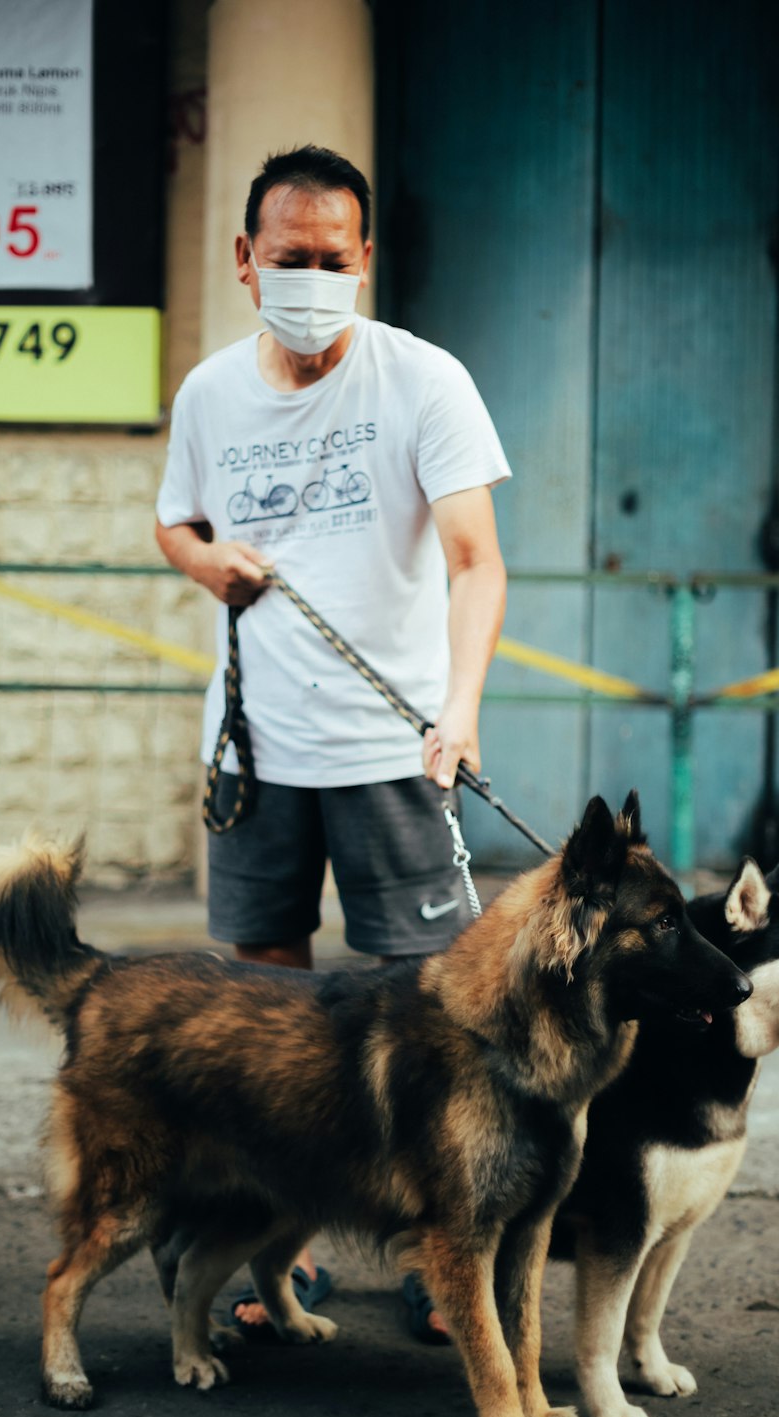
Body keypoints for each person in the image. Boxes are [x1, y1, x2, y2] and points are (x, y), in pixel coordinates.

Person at [155, 144, 509, 1342]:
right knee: (265, 1021)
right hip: (255, 750)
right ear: (244, 262)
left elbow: (475, 560)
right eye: (288, 258)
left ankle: (434, 1251)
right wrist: (207, 562)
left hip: (393, 749)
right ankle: (275, 1253)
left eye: (332, 259)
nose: (310, 278)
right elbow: (174, 518)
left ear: (364, 260)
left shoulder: (425, 383)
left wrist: (457, 712)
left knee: (431, 1008)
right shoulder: (208, 393)